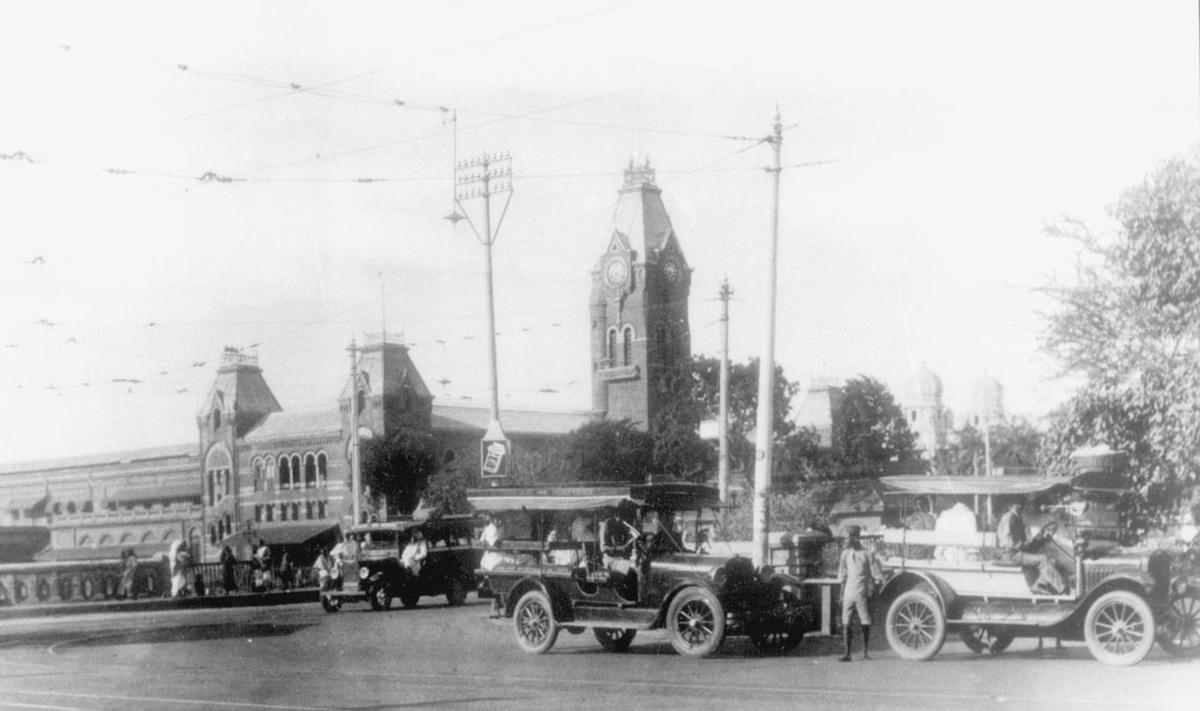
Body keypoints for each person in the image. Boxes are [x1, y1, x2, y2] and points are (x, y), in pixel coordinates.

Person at [997, 501, 1066, 595]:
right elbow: (1011, 544)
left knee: (1051, 560)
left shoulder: (1016, 517)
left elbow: (1023, 543)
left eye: (1021, 503)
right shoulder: (1010, 518)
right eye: (1016, 503)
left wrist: (1040, 539)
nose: (1019, 505)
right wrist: (1030, 542)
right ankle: (1063, 589)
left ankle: (1039, 584)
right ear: (1010, 505)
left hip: (1016, 553)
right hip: (1011, 555)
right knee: (1043, 559)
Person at [836, 525, 882, 662]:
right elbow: (842, 575)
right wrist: (840, 595)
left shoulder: (867, 554)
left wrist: (873, 589)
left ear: (856, 537)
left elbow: (876, 574)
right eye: (846, 538)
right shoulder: (845, 554)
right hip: (848, 593)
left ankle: (866, 652)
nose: (847, 540)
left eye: (849, 537)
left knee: (865, 622)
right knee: (846, 623)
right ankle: (847, 653)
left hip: (862, 592)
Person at [600, 508, 640, 575]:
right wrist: (619, 548)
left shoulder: (619, 525)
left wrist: (625, 523)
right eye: (621, 519)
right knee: (630, 572)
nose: (622, 520)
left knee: (634, 571)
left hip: (620, 558)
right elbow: (603, 548)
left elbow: (636, 534)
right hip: (611, 559)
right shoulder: (606, 525)